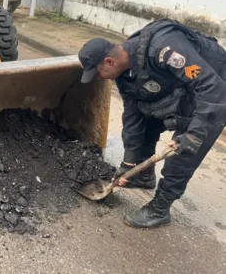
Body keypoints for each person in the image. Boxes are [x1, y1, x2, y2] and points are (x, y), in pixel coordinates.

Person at [78, 18, 226, 228]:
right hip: (187, 87)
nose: (99, 78)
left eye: (98, 72)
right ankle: (143, 176)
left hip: (216, 88)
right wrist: (130, 163)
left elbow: (212, 88)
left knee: (182, 150)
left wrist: (195, 133)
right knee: (144, 115)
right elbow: (132, 116)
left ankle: (160, 209)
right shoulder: (125, 72)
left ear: (109, 62)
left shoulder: (164, 48)